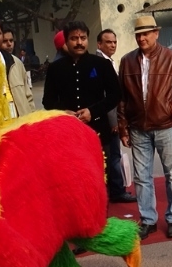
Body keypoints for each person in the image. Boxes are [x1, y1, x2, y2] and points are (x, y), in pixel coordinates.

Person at [117, 16, 172, 240]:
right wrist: (123, 127)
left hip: (166, 126)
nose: (142, 38)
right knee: (142, 177)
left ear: (156, 33)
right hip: (138, 127)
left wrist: (171, 109)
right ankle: (148, 219)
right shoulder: (127, 61)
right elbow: (122, 98)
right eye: (138, 34)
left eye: (146, 33)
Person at [42, 21, 129, 200]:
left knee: (99, 177)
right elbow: (47, 100)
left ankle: (100, 220)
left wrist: (93, 111)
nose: (79, 42)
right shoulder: (55, 68)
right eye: (74, 38)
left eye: (83, 38)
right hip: (68, 132)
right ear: (66, 41)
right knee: (74, 178)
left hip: (98, 130)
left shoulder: (101, 64)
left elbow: (115, 95)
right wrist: (63, 112)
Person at [96, 29, 136, 204]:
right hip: (107, 120)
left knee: (113, 155)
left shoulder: (109, 62)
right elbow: (106, 96)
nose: (112, 45)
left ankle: (114, 189)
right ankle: (117, 191)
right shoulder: (100, 64)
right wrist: (114, 122)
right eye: (108, 42)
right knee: (112, 156)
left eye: (114, 42)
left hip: (111, 118)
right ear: (99, 44)